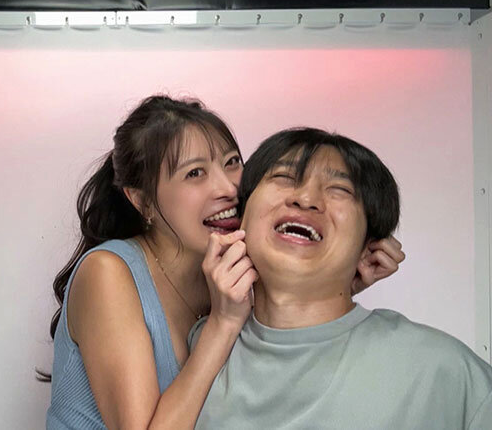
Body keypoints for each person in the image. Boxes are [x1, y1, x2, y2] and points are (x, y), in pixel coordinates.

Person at [44, 96, 405, 429]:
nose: (228, 188)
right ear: (143, 201)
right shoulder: (106, 273)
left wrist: (340, 280)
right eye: (195, 173)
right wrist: (223, 322)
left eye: (232, 163)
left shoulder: (232, 270)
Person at [191, 128, 492, 429]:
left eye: (340, 189)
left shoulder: (443, 373)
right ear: (239, 219)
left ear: (369, 247)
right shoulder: (200, 348)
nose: (306, 199)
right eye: (284, 177)